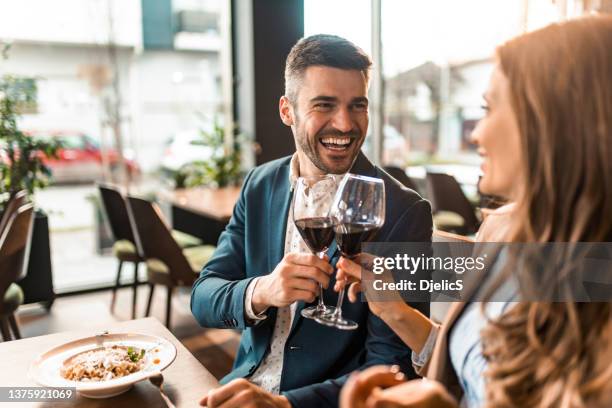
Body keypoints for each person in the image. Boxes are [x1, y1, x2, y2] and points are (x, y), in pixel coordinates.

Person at [336, 15, 612, 408]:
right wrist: (392, 308)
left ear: (555, 123)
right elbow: (467, 365)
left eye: (490, 108)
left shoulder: (599, 274)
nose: (476, 133)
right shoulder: (502, 231)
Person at [191, 34, 433, 408]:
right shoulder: (260, 184)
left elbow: (391, 369)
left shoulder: (404, 212)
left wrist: (284, 405)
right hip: (239, 386)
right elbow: (204, 297)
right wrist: (262, 291)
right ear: (288, 111)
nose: (345, 124)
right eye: (325, 105)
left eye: (358, 106)